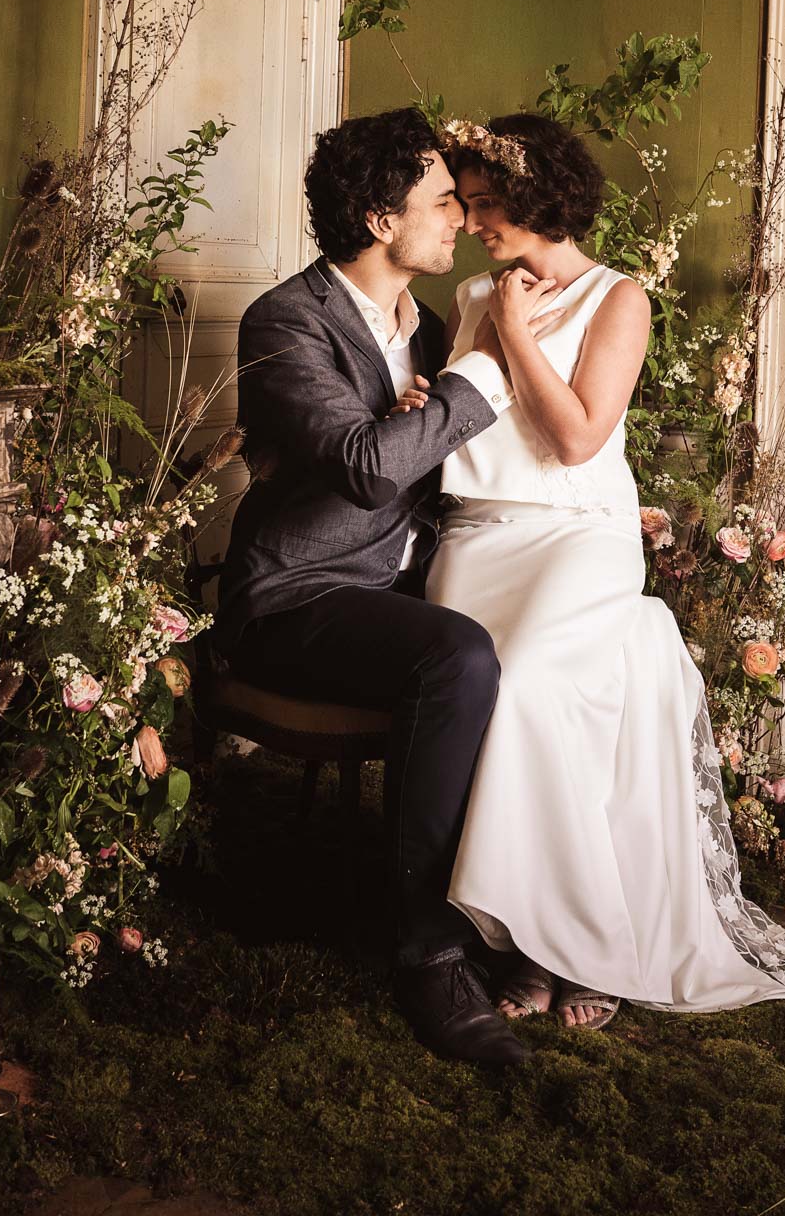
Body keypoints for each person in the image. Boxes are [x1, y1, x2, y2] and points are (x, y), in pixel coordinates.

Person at [422, 111, 785, 1029]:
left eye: (488, 204)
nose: (474, 222)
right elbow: (470, 416)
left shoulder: (619, 298)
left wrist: (515, 332)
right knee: (475, 702)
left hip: (575, 535)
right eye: (467, 203)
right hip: (479, 536)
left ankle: (588, 950)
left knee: (527, 683)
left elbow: (575, 439)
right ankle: (528, 947)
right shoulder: (469, 298)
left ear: (538, 200)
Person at [214, 106, 562, 1068]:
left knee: (549, 642)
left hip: (407, 583)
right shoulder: (285, 320)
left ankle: (531, 927)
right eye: (443, 201)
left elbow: (441, 462)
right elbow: (371, 468)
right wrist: (477, 375)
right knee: (454, 656)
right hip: (296, 598)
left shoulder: (431, 325)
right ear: (378, 219)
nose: (461, 218)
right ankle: (429, 955)